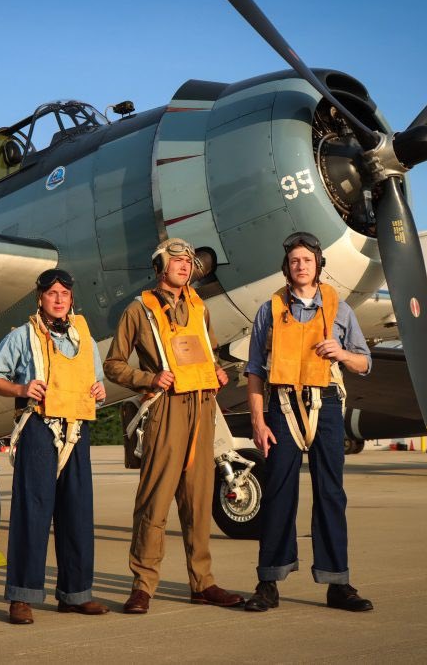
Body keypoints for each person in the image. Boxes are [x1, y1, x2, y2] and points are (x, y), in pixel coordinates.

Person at [104, 237, 244, 614]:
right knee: (155, 500)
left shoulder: (200, 308)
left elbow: (208, 353)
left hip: (203, 406)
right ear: (160, 266)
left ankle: (203, 583)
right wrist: (148, 380)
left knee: (199, 502)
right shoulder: (139, 310)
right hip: (165, 409)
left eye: (188, 261)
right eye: (177, 260)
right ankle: (143, 585)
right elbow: (113, 364)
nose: (185, 265)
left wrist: (217, 371)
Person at [243, 232, 374, 613]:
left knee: (331, 493)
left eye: (307, 260)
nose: (301, 266)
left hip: (326, 406)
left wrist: (343, 353)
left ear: (318, 267)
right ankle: (268, 582)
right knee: (279, 493)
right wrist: (257, 421)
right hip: (281, 407)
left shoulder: (341, 309)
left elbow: (365, 363)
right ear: (288, 268)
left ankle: (338, 584)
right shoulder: (269, 311)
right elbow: (254, 370)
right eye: (295, 261)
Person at [0, 268, 109, 625]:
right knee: (32, 513)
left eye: (64, 294)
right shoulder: (22, 336)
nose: (58, 299)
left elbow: (95, 382)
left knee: (78, 514)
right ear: (40, 298)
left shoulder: (84, 338)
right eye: (51, 293)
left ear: (71, 299)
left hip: (77, 431)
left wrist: (99, 392)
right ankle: (21, 597)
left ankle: (75, 594)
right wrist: (21, 390)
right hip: (38, 428)